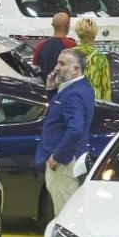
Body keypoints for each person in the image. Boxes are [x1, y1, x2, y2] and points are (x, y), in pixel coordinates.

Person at [38, 49, 94, 215]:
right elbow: (61, 114)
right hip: (72, 159)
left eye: (62, 64)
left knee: (64, 215)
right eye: (57, 62)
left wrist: (57, 157)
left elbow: (75, 129)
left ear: (75, 69)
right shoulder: (82, 87)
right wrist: (51, 91)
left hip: (65, 163)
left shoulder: (73, 94)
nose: (56, 68)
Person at [71, 15, 112, 102]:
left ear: (78, 33)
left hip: (74, 101)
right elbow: (105, 88)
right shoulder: (101, 57)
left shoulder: (68, 54)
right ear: (94, 34)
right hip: (93, 101)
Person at [32, 11, 73, 84]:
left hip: (46, 88)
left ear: (52, 25)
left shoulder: (40, 45)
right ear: (68, 26)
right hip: (65, 89)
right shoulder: (72, 45)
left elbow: (35, 68)